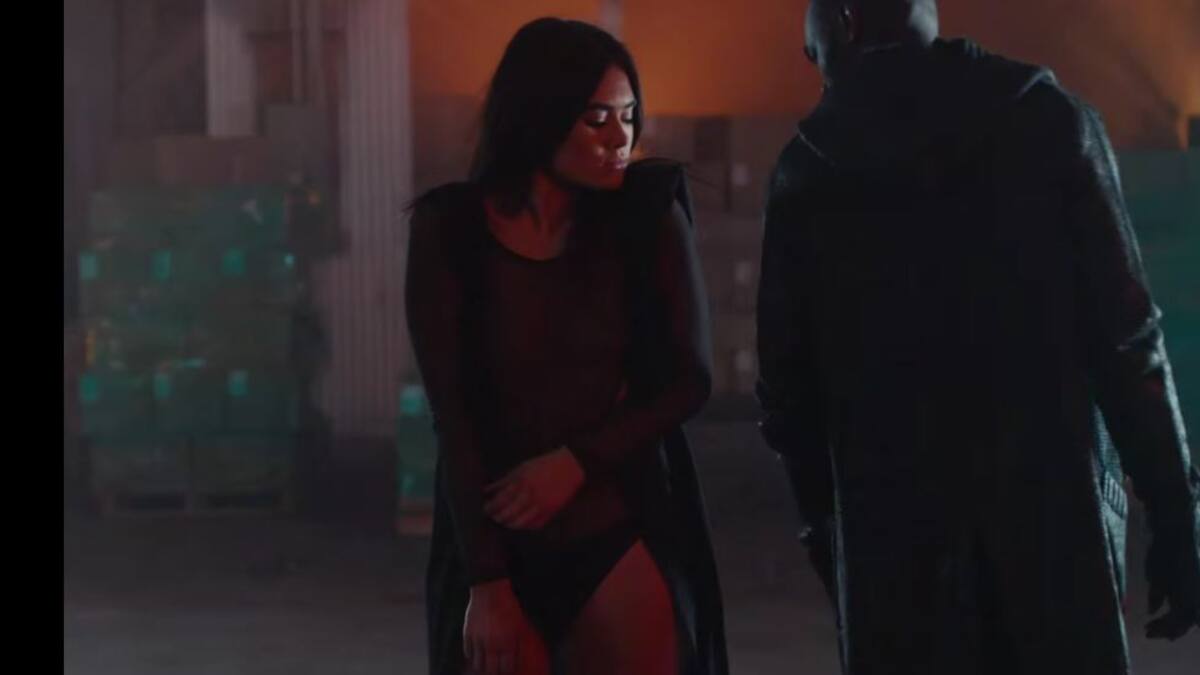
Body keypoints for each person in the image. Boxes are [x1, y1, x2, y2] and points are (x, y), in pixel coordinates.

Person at [755, 0, 1200, 672]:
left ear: (845, 20)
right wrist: (1174, 514)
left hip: (895, 563)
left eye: (812, 48)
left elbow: (788, 401)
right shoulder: (1051, 121)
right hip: (1057, 550)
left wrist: (830, 541)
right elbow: (1127, 340)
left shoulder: (807, 172)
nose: (809, 60)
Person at [405, 17, 729, 675]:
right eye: (597, 119)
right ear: (539, 117)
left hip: (611, 527)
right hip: (497, 544)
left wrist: (577, 462)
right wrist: (487, 582)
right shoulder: (450, 229)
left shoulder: (647, 215)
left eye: (629, 117)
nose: (621, 138)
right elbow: (453, 414)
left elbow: (690, 379)